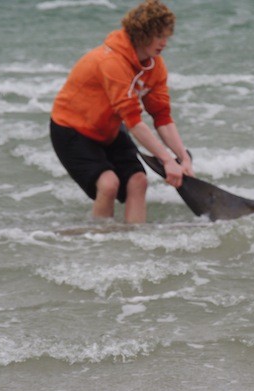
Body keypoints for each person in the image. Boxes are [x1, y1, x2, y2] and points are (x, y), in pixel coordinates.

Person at [50, 0, 193, 223]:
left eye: (167, 36)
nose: (165, 43)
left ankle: (134, 246)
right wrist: (166, 160)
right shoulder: (111, 62)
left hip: (109, 129)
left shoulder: (155, 66)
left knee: (138, 181)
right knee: (108, 184)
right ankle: (98, 243)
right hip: (71, 129)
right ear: (142, 34)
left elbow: (162, 117)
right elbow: (134, 121)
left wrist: (183, 157)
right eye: (159, 36)